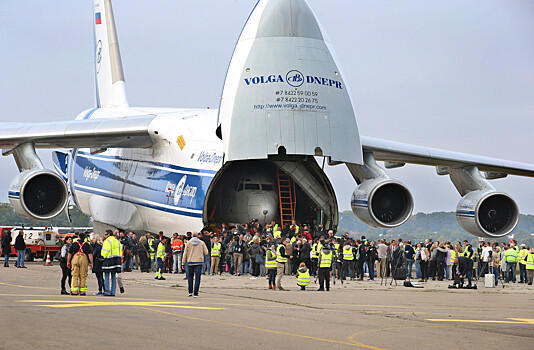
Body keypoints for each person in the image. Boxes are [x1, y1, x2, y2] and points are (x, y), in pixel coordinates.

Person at [182, 232, 208, 297]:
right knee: (197, 278)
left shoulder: (188, 243)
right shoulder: (202, 243)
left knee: (190, 277)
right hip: (199, 262)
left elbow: (185, 253)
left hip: (190, 262)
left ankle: (190, 292)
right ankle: (196, 293)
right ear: (198, 236)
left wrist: (183, 263)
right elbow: (206, 252)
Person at [101, 230, 121, 296]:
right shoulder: (117, 241)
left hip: (109, 260)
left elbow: (105, 251)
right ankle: (113, 292)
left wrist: (102, 256)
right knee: (113, 276)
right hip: (116, 260)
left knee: (106, 276)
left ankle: (107, 291)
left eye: (106, 234)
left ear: (109, 234)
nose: (105, 236)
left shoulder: (107, 241)